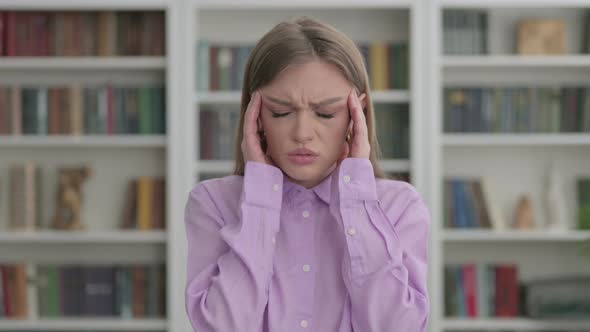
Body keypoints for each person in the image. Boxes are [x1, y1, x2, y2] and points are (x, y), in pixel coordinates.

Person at [184, 16, 430, 331]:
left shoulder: (401, 207)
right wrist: (260, 201)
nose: (302, 133)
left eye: (326, 113)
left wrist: (356, 200)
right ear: (255, 115)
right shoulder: (213, 203)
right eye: (281, 112)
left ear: (358, 115)